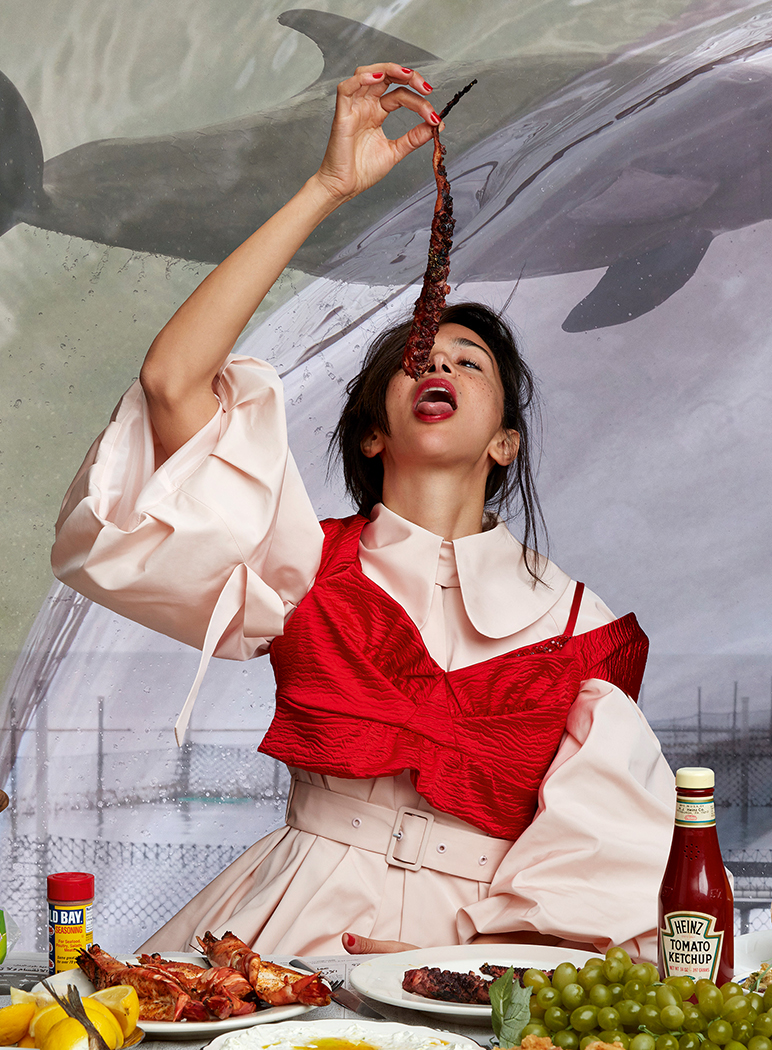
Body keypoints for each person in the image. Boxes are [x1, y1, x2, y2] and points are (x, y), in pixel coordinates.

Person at [51, 62, 674, 959]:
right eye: (415, 360)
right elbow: (171, 382)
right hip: (291, 916)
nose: (439, 368)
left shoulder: (587, 627)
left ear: (507, 441)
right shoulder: (300, 562)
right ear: (371, 433)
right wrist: (328, 187)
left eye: (471, 363)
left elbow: (607, 860)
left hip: (485, 940)